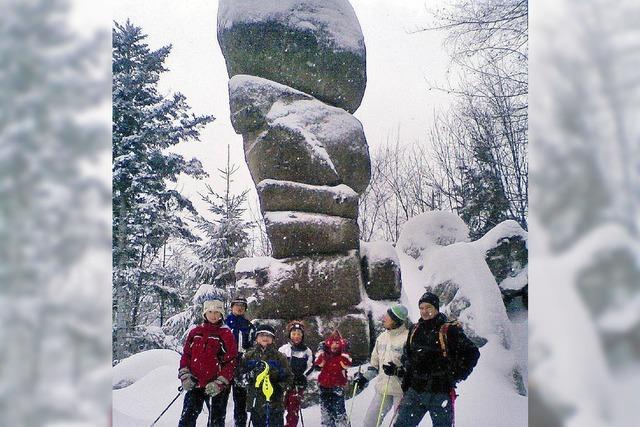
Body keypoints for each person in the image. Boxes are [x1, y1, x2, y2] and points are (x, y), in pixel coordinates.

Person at [391, 292, 480, 427]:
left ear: (436, 308)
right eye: (421, 308)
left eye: (428, 307)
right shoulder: (415, 329)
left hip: (440, 393)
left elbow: (472, 353)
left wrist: (456, 375)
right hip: (415, 391)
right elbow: (407, 355)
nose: (424, 311)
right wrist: (406, 373)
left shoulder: (448, 330)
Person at [177, 298, 238, 427]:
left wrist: (219, 382)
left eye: (217, 312)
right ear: (205, 313)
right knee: (187, 418)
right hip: (195, 382)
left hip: (216, 386)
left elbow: (231, 361)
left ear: (221, 314)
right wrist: (185, 376)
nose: (213, 315)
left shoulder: (226, 334)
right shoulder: (195, 332)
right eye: (210, 311)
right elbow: (186, 356)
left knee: (215, 421)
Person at [353, 304, 409, 427]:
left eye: (388, 316)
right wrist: (364, 378)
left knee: (400, 424)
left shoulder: (407, 339)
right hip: (383, 389)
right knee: (370, 422)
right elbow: (374, 366)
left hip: (401, 391)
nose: (384, 318)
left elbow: (412, 369)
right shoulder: (382, 338)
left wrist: (397, 371)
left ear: (395, 320)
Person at [240, 324, 293, 427]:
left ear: (273, 339)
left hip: (275, 403)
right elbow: (240, 376)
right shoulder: (248, 356)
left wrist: (279, 387)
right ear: (256, 338)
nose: (265, 338)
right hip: (256, 403)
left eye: (268, 335)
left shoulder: (279, 357)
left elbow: (288, 378)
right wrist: (249, 377)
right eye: (262, 335)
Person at [221, 295, 256, 426]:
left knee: (240, 401)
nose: (240, 308)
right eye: (237, 305)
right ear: (232, 307)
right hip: (225, 364)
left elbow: (254, 346)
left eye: (242, 306)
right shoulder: (224, 324)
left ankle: (240, 424)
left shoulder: (249, 326)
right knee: (220, 400)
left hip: (242, 366)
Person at [278, 321, 314, 427]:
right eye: (294, 334)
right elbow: (277, 365)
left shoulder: (306, 351)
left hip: (297, 385)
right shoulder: (283, 349)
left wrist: (303, 376)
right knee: (278, 407)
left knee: (293, 409)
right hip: (283, 384)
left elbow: (310, 366)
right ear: (289, 335)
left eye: (299, 334)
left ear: (302, 336)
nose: (296, 336)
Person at [315, 330, 352, 427]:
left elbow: (346, 364)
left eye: (337, 343)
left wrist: (344, 350)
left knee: (339, 413)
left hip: (337, 386)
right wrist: (321, 351)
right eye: (332, 342)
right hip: (324, 386)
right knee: (326, 414)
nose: (334, 345)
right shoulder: (326, 355)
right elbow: (319, 363)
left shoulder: (342, 356)